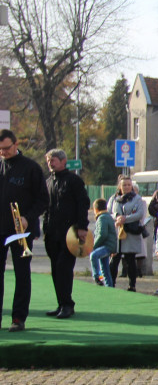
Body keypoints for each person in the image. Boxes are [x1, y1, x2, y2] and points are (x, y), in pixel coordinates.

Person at [0, 130, 47, 332]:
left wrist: (28, 217)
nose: (4, 152)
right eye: (0, 149)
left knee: (21, 274)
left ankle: (18, 318)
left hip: (21, 230)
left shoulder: (31, 168)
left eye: (7, 148)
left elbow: (43, 200)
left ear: (16, 144)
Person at [43, 149, 89, 319]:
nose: (50, 163)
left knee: (64, 268)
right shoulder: (48, 182)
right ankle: (61, 303)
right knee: (55, 269)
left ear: (63, 161)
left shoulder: (74, 181)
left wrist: (82, 227)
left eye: (53, 160)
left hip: (70, 233)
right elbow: (47, 208)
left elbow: (83, 204)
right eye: (48, 160)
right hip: (52, 233)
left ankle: (68, 304)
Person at [109, 175, 145, 292]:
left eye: (129, 185)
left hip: (131, 233)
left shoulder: (137, 199)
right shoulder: (114, 199)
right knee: (114, 260)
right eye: (124, 185)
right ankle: (111, 283)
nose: (127, 187)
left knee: (130, 260)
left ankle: (132, 285)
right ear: (120, 186)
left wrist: (125, 218)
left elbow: (139, 214)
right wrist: (117, 217)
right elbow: (109, 212)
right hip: (117, 233)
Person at [90, 199, 117, 287]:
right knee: (105, 268)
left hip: (107, 246)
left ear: (96, 209)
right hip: (108, 245)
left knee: (93, 255)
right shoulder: (107, 216)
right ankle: (109, 286)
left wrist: (94, 246)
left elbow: (102, 234)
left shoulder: (102, 218)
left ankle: (96, 276)